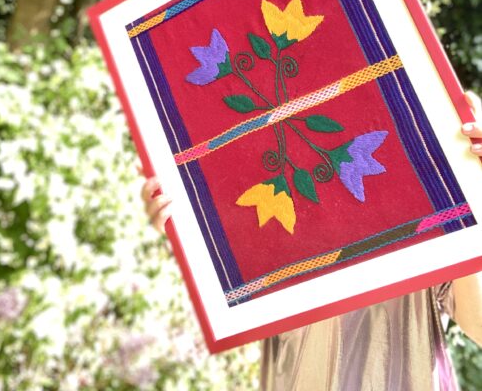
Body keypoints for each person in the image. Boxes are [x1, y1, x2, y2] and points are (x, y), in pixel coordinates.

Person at [141, 91, 482, 390]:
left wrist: (475, 190)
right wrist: (183, 227)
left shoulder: (421, 211)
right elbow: (226, 297)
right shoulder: (270, 220)